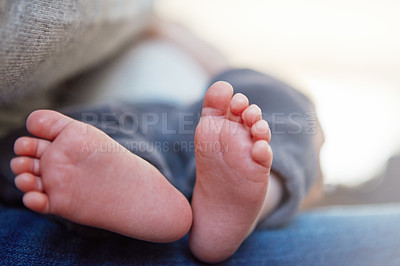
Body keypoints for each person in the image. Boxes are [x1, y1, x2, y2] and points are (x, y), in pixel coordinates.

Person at [1, 1, 399, 265]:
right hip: (128, 130)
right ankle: (250, 196)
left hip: (179, 125)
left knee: (266, 96)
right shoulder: (131, 24)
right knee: (68, 143)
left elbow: (222, 69)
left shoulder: (141, 27)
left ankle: (251, 198)